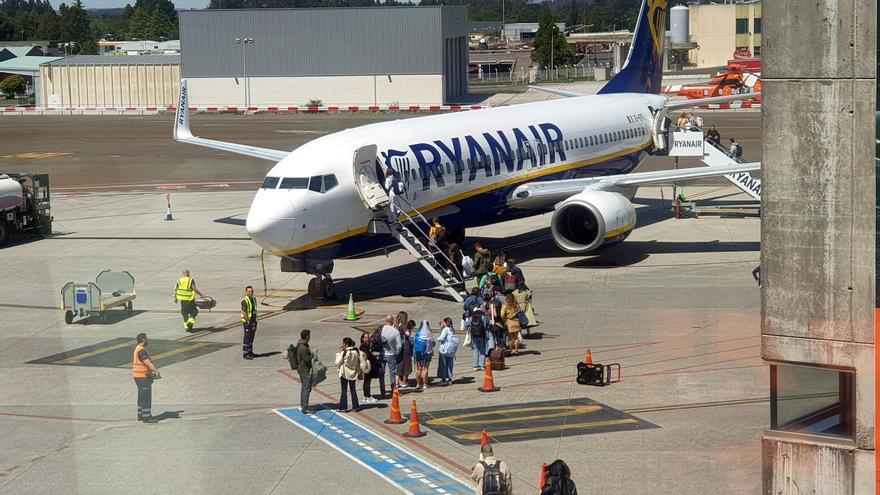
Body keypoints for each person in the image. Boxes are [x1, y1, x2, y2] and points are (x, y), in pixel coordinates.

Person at [132, 333, 160, 423]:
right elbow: (147, 362)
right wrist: (156, 370)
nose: (147, 340)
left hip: (137, 376)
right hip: (142, 377)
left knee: (141, 396)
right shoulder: (142, 351)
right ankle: (147, 417)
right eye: (146, 338)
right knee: (146, 396)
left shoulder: (137, 349)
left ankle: (140, 415)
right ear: (143, 340)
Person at [335, 337, 365, 412]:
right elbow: (358, 362)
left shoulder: (344, 352)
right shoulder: (356, 351)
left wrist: (339, 353)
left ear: (346, 344)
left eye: (344, 343)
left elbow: (337, 362)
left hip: (344, 373)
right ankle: (355, 406)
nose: (342, 345)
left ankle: (343, 407)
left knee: (344, 390)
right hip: (353, 372)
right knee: (353, 389)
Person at [380, 315, 401, 396]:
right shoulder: (395, 332)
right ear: (392, 321)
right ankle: (393, 390)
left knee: (381, 373)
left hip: (382, 353)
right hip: (391, 354)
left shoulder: (381, 329)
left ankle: (382, 391)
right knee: (392, 373)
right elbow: (399, 345)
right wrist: (396, 352)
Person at [295, 329, 314, 413]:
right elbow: (306, 359)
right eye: (309, 336)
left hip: (301, 368)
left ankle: (304, 405)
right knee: (306, 388)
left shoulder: (300, 344)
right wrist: (313, 354)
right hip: (304, 369)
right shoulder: (303, 347)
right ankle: (305, 407)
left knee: (304, 387)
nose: (310, 337)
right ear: (306, 337)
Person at [413, 320, 436, 390]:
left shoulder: (417, 333)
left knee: (418, 369)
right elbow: (433, 343)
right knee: (425, 368)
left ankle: (418, 384)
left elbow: (414, 342)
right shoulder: (429, 333)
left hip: (418, 352)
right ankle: (425, 384)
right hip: (428, 353)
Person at [360, 331, 381, 403]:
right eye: (366, 337)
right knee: (367, 381)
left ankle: (367, 395)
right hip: (365, 366)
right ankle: (367, 396)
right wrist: (374, 355)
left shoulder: (368, 345)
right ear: (362, 338)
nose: (367, 339)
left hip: (369, 365)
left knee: (368, 381)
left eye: (368, 337)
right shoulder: (363, 346)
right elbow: (367, 355)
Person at [437, 318, 458, 385]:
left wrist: (438, 338)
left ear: (446, 323)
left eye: (443, 322)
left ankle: (443, 379)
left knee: (443, 364)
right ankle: (450, 378)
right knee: (450, 365)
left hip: (444, 349)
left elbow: (441, 338)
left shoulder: (445, 329)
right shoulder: (452, 329)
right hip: (450, 350)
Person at [468, 306, 489, 371]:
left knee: (475, 350)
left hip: (474, 336)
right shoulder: (483, 316)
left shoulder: (472, 316)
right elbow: (486, 325)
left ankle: (475, 366)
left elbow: (467, 324)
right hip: (482, 335)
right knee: (482, 351)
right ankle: (482, 365)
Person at [240, 285, 258, 359]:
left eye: (252, 291)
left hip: (253, 321)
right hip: (247, 322)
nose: (251, 292)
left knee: (251, 337)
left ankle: (250, 352)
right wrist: (248, 321)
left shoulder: (254, 299)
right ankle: (245, 354)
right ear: (246, 292)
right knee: (247, 338)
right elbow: (244, 312)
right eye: (249, 291)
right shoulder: (245, 301)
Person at [397, 319, 415, 388]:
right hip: (406, 349)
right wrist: (409, 331)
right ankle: (404, 382)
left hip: (400, 349)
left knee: (400, 366)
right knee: (406, 367)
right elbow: (408, 335)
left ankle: (398, 382)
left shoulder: (399, 328)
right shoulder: (405, 329)